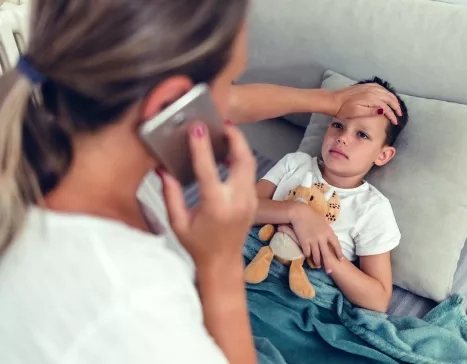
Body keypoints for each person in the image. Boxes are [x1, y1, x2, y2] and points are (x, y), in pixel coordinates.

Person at [0, 1, 403, 364]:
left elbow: (231, 103)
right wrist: (220, 264)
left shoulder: (45, 144)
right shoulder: (129, 296)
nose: (226, 103)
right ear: (170, 105)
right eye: (229, 81)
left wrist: (329, 102)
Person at [253, 77, 409, 312]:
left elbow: (377, 299)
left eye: (362, 135)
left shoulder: (372, 208)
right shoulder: (295, 164)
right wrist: (296, 212)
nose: (343, 137)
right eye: (338, 125)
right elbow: (238, 209)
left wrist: (323, 249)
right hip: (251, 261)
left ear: (383, 155)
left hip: (301, 297)